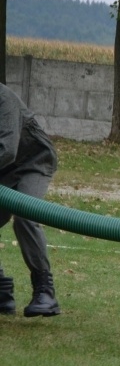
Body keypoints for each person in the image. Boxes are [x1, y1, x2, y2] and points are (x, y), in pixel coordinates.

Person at [0, 82, 61, 317]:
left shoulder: (4, 100)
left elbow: (7, 150)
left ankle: (45, 291)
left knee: (26, 215)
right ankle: (2, 291)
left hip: (33, 162)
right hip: (4, 169)